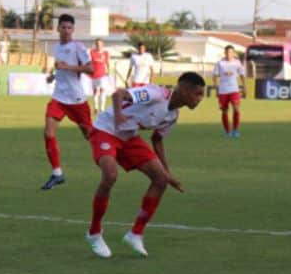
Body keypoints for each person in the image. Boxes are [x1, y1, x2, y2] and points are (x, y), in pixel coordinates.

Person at [85, 72, 206, 258]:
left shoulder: (173, 115)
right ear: (184, 90)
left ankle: (135, 234)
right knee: (110, 175)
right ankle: (94, 232)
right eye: (198, 94)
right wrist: (118, 115)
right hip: (106, 129)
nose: (200, 99)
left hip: (128, 136)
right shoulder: (155, 94)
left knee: (160, 179)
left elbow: (157, 140)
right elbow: (118, 94)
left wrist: (168, 173)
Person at [41, 13, 93, 190]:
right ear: (58, 29)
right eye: (63, 27)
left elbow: (91, 69)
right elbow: (61, 68)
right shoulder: (56, 48)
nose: (66, 31)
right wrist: (53, 76)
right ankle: (57, 173)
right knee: (48, 133)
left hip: (76, 99)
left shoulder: (78, 46)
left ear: (73, 29)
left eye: (69, 28)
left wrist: (68, 67)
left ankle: (112, 155)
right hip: (58, 98)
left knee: (90, 136)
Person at [212, 45, 246, 137]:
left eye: (230, 52)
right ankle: (227, 132)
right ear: (224, 53)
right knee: (224, 111)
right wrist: (216, 88)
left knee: (236, 109)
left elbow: (242, 75)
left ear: (233, 53)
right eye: (227, 52)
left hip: (234, 89)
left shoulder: (237, 63)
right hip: (223, 90)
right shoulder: (220, 63)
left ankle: (235, 130)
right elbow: (214, 76)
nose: (228, 54)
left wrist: (244, 87)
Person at [89, 39, 111, 115]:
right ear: (95, 44)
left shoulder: (106, 53)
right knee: (95, 91)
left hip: (103, 75)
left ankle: (102, 108)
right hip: (94, 74)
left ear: (103, 45)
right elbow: (90, 62)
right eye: (97, 44)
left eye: (100, 44)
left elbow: (107, 63)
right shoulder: (92, 52)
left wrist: (108, 71)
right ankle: (95, 107)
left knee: (102, 90)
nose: (99, 45)